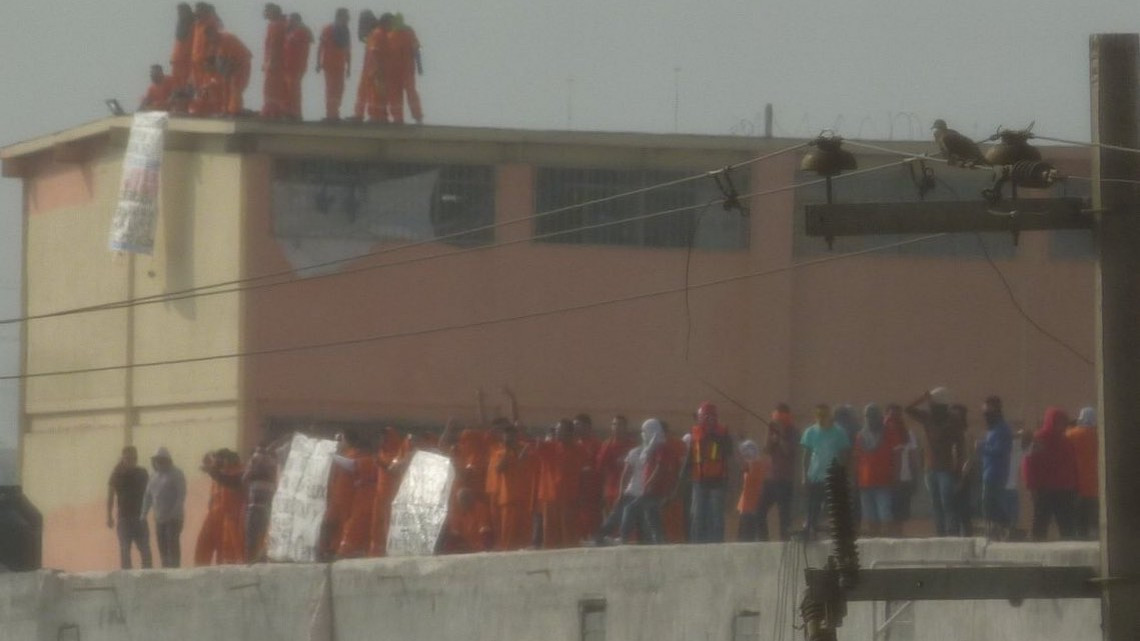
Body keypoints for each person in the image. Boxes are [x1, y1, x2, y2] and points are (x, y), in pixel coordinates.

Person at [905, 387, 965, 536]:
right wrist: (922, 398)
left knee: (947, 504)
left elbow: (960, 445)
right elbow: (908, 409)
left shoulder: (953, 420)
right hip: (930, 469)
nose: (931, 406)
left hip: (945, 469)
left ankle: (952, 533)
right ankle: (940, 533)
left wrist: (958, 469)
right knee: (936, 505)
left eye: (933, 403)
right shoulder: (928, 417)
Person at [1024, 407, 1079, 541]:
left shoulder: (1066, 442)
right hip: (1044, 490)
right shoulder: (1038, 439)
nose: (1061, 426)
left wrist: (1076, 486)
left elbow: (1074, 466)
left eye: (1063, 422)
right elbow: (1028, 463)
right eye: (1059, 422)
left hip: (1065, 491)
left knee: (1068, 529)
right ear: (1051, 421)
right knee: (1040, 527)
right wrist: (1031, 486)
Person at [682, 402, 733, 543]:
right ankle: (696, 544)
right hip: (699, 480)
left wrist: (714, 435)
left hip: (718, 481)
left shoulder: (723, 433)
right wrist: (682, 478)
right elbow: (690, 458)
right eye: (703, 417)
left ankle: (716, 545)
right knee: (697, 515)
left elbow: (729, 452)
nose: (705, 420)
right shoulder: (695, 434)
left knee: (716, 516)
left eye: (710, 417)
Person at [800, 404, 851, 540]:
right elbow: (806, 456)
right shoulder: (810, 432)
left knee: (834, 508)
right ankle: (811, 531)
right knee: (813, 507)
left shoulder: (839, 432)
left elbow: (845, 454)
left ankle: (836, 534)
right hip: (815, 476)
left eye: (824, 416)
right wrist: (804, 477)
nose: (822, 419)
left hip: (833, 477)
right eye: (819, 416)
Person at [534, 419, 588, 548]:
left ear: (570, 433)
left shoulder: (579, 450)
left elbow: (582, 473)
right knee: (551, 535)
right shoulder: (547, 447)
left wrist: (581, 495)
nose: (557, 433)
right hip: (549, 498)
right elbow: (529, 448)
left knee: (569, 535)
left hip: (569, 498)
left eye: (561, 430)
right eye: (557, 430)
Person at [854, 403, 899, 537]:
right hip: (865, 482)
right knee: (869, 515)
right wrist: (855, 478)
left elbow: (897, 456)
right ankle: (873, 541)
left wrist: (896, 475)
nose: (870, 419)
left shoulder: (889, 432)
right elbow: (856, 459)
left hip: (884, 480)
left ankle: (887, 541)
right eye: (868, 416)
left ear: (879, 416)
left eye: (873, 415)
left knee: (884, 512)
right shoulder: (860, 436)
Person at [486, 425, 533, 550]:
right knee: (508, 536)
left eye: (512, 437)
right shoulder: (499, 453)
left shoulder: (525, 449)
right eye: (507, 438)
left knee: (525, 536)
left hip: (525, 499)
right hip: (508, 499)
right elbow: (498, 469)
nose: (510, 440)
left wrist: (520, 453)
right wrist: (508, 451)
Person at [332, 430, 376, 558]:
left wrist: (330, 455)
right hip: (346, 502)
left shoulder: (369, 460)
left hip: (362, 501)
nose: (338, 443)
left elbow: (352, 465)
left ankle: (347, 551)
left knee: (355, 526)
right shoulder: (349, 456)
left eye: (340, 439)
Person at [107, 446, 153, 569]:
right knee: (124, 550)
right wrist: (109, 516)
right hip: (124, 519)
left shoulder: (142, 473)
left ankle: (148, 575)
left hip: (140, 518)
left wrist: (149, 510)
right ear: (123, 459)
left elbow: (151, 493)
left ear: (136, 459)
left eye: (132, 458)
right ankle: (127, 576)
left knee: (145, 549)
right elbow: (110, 496)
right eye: (127, 458)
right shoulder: (116, 475)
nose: (130, 461)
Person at [141, 447, 187, 568]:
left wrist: (174, 512)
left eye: (161, 460)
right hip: (159, 518)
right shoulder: (153, 477)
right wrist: (143, 513)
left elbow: (181, 494)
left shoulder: (176, 474)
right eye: (156, 460)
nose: (159, 463)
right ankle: (165, 568)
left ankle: (175, 569)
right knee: (162, 545)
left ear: (168, 460)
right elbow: (148, 496)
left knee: (172, 544)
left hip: (173, 518)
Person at [756, 404, 796, 541]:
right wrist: (769, 432)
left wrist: (781, 436)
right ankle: (763, 540)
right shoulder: (773, 432)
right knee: (759, 511)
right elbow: (766, 450)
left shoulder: (793, 432)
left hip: (785, 480)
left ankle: (784, 540)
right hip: (771, 479)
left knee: (784, 515)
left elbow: (789, 451)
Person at [978, 396, 1013, 539]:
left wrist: (982, 447)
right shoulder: (991, 429)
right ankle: (993, 530)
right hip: (988, 471)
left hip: (996, 472)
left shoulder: (1002, 429)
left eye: (989, 411)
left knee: (993, 503)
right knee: (988, 503)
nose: (986, 415)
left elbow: (1001, 450)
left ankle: (1003, 529)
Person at [885, 404, 920, 537]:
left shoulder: (908, 434)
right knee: (888, 513)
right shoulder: (882, 434)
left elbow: (913, 457)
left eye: (897, 415)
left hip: (903, 479)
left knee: (900, 515)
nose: (894, 418)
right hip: (885, 479)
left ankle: (898, 538)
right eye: (891, 415)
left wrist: (915, 478)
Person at [382, 13, 423, 124]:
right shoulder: (404, 33)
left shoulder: (394, 34)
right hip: (400, 71)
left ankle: (402, 118)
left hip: (401, 70)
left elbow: (415, 49)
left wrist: (419, 65)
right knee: (402, 94)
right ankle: (408, 117)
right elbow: (416, 50)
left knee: (401, 94)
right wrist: (419, 66)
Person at [1065, 407, 1099, 540]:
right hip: (1096, 487)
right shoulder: (1099, 434)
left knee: (1080, 522)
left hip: (1077, 485)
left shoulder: (1071, 434)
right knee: (1095, 522)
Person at [242, 442, 278, 562]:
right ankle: (262, 557)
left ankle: (251, 559)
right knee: (264, 533)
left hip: (255, 504)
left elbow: (245, 478)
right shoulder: (272, 462)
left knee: (252, 534)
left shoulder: (255, 459)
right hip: (268, 505)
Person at [596, 415, 636, 521]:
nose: (617, 427)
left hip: (629, 489)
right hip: (611, 489)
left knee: (628, 520)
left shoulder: (632, 445)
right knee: (612, 519)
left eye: (620, 425)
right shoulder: (607, 445)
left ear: (625, 427)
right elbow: (600, 467)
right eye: (614, 424)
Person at [316, 8, 351, 121]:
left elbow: (347, 50)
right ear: (340, 16)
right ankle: (330, 114)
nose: (348, 19)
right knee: (331, 89)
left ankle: (335, 113)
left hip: (340, 65)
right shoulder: (328, 29)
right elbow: (320, 47)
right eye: (346, 16)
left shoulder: (346, 31)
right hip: (329, 64)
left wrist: (349, 66)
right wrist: (318, 62)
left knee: (339, 89)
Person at [574, 414, 604, 541]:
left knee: (593, 517)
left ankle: (594, 538)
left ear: (587, 427)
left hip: (593, 489)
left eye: (578, 426)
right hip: (577, 488)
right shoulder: (574, 444)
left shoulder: (597, 444)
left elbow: (601, 466)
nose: (576, 429)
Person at [212, 29, 252, 116]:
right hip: (230, 65)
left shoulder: (227, 39)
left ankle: (235, 111)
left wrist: (227, 71)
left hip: (241, 63)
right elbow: (221, 59)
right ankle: (226, 110)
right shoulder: (216, 42)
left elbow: (232, 59)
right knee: (225, 86)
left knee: (235, 87)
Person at [440, 488, 493, 554]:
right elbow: (456, 534)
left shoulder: (481, 509)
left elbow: (485, 535)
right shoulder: (460, 512)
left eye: (464, 499)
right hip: (466, 549)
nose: (461, 503)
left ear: (470, 498)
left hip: (479, 550)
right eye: (460, 501)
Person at [351, 10, 380, 121]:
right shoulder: (372, 33)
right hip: (368, 65)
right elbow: (362, 37)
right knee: (363, 89)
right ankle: (359, 114)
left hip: (375, 66)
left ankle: (374, 115)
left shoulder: (377, 33)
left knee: (374, 89)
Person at [261, 3, 289, 118]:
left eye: (267, 10)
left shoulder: (277, 25)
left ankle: (271, 111)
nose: (265, 13)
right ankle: (274, 110)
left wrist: (270, 61)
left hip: (275, 61)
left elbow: (274, 44)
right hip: (276, 60)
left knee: (271, 87)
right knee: (275, 86)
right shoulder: (278, 24)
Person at [282, 13, 313, 120]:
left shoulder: (301, 31)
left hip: (295, 66)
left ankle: (295, 113)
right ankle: (288, 111)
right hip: (289, 65)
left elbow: (292, 44)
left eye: (290, 20)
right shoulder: (294, 32)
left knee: (293, 89)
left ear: (296, 20)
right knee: (287, 89)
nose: (288, 22)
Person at [735, 440, 767, 541]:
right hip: (746, 506)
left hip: (751, 507)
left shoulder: (756, 465)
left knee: (747, 537)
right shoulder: (753, 465)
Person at [190, 3, 221, 89]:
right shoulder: (197, 24)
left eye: (198, 10)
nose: (196, 12)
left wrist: (211, 58)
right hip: (196, 61)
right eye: (196, 10)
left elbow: (214, 41)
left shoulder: (211, 23)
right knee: (198, 87)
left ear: (204, 11)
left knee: (208, 86)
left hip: (206, 61)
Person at [170, 3, 195, 88]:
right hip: (177, 60)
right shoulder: (180, 25)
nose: (180, 14)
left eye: (182, 11)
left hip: (189, 60)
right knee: (177, 85)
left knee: (190, 83)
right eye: (179, 12)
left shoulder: (195, 24)